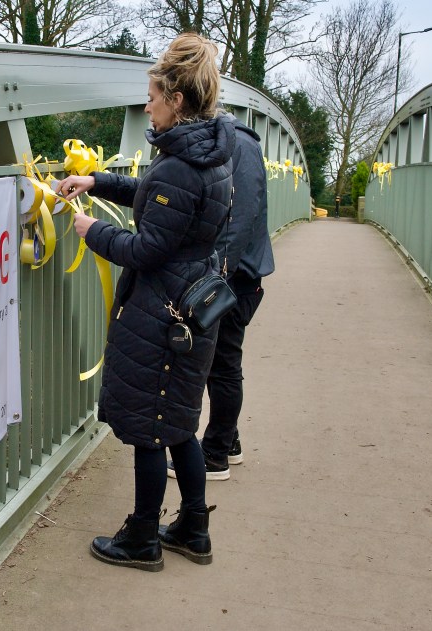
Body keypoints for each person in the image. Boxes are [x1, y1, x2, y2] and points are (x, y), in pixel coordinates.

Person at [56, 33, 235, 571]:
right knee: (179, 423)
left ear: (176, 101)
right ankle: (194, 528)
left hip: (163, 314)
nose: (146, 107)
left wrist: (89, 230)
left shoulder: (180, 166)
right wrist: (97, 180)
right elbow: (156, 197)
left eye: (152, 98)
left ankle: (142, 538)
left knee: (151, 431)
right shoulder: (210, 152)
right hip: (195, 307)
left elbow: (147, 246)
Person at [169, 112, 274, 481]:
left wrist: (214, 280)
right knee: (220, 362)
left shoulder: (240, 146)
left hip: (235, 279)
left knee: (224, 363)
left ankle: (214, 455)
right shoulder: (231, 143)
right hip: (236, 274)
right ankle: (228, 440)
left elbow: (239, 219)